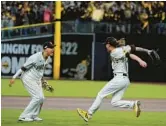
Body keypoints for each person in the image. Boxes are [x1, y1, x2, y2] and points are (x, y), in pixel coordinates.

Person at [77, 37, 153, 122]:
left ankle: (89, 114)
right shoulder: (122, 49)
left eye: (106, 45)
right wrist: (147, 51)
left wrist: (140, 60)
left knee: (100, 94)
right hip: (125, 80)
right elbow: (134, 48)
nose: (105, 46)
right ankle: (133, 104)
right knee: (114, 102)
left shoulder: (114, 52)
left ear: (109, 45)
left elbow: (130, 54)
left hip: (119, 78)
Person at [9, 41, 55, 122]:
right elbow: (23, 68)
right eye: (51, 48)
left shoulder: (48, 59)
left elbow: (40, 72)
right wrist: (14, 77)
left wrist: (43, 81)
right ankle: (23, 116)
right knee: (37, 97)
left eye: (53, 47)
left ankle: (33, 115)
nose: (53, 49)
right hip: (28, 78)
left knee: (42, 98)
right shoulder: (35, 57)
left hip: (37, 79)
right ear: (45, 49)